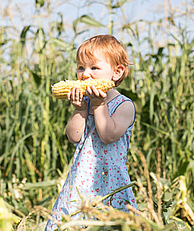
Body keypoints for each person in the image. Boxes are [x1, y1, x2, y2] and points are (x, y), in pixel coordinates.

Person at [45, 34, 138, 231]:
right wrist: (79, 110)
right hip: (82, 178)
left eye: (94, 68)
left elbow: (108, 135)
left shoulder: (124, 106)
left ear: (117, 72)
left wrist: (99, 106)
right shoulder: (86, 104)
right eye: (81, 67)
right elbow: (74, 136)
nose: (85, 74)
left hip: (110, 180)